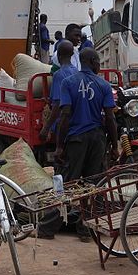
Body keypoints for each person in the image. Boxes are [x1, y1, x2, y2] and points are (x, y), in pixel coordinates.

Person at [54, 48, 119, 241]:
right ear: (91, 61)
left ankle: (49, 227)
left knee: (69, 184)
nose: (99, 65)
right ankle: (87, 228)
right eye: (98, 62)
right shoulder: (104, 85)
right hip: (97, 139)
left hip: (76, 139)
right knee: (94, 184)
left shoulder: (68, 83)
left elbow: (65, 115)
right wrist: (114, 146)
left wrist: (59, 145)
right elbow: (110, 118)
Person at [39, 41, 77, 142]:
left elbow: (57, 105)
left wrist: (46, 128)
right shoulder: (77, 72)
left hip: (64, 126)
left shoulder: (58, 75)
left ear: (58, 55)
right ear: (72, 54)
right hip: (77, 123)